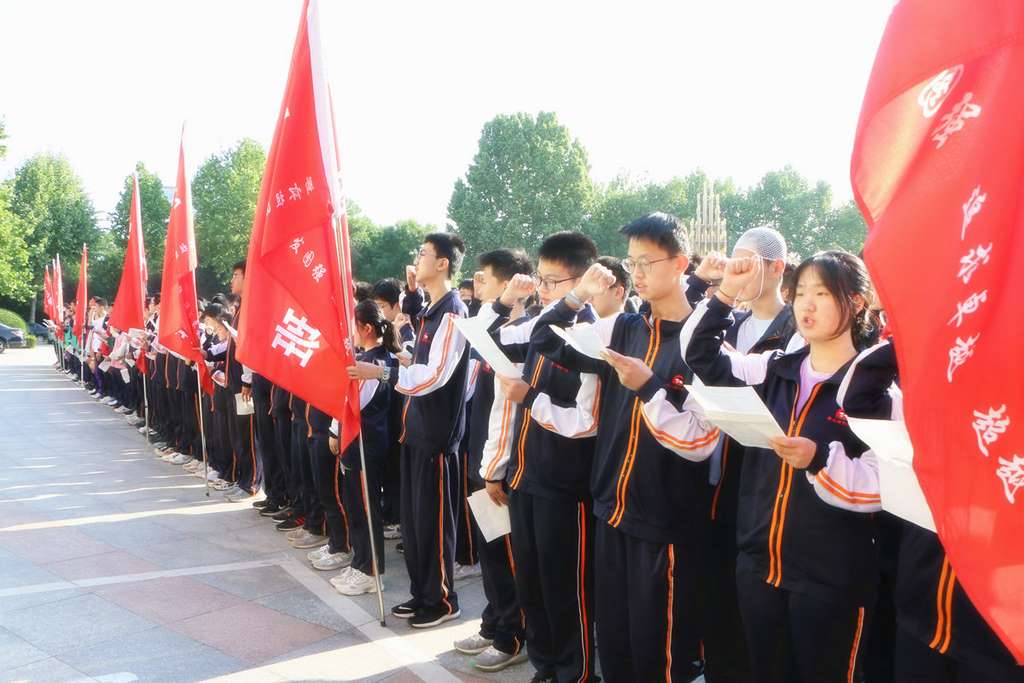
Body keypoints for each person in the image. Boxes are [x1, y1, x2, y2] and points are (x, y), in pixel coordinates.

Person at [529, 214, 721, 682]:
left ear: (680, 263)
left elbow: (700, 442)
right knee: (615, 641)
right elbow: (544, 341)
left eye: (646, 262)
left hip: (665, 521)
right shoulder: (623, 328)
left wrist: (650, 385)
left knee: (658, 652)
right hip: (611, 510)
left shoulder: (703, 343)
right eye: (632, 263)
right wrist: (576, 295)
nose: (636, 273)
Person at [684, 250, 885, 683]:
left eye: (822, 294)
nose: (806, 305)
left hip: (830, 580)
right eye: (801, 293)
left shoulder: (875, 387)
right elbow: (701, 356)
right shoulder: (775, 369)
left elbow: (882, 485)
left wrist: (818, 459)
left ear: (857, 302)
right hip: (760, 567)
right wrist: (726, 293)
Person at [478, 231, 600, 683]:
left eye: (551, 282)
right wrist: (506, 298)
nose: (542, 291)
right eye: (540, 281)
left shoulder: (591, 336)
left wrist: (530, 398)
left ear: (582, 281)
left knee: (565, 586)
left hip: (566, 485)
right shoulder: (539, 326)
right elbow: (485, 339)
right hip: (526, 476)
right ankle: (545, 665)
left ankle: (575, 672)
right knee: (531, 581)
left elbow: (586, 421)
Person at [699, 226, 801, 683]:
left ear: (777, 268)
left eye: (747, 264)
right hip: (716, 472)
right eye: (732, 262)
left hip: (763, 480)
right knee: (719, 587)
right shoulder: (730, 324)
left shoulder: (796, 330)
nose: (736, 272)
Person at [451, 247, 533, 673]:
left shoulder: (521, 335)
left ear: (509, 285)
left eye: (484, 278)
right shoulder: (492, 330)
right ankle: (493, 620)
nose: (476, 284)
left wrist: (493, 470)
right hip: (483, 459)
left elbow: (507, 412)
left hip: (499, 467)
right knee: (491, 554)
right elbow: (473, 333)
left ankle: (512, 635)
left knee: (505, 555)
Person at [388, 232, 470, 628]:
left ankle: (442, 600)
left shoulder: (453, 312)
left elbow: (436, 374)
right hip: (415, 431)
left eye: (423, 254)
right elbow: (421, 363)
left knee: (433, 524)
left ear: (443, 263)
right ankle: (421, 593)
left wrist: (385, 373)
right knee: (414, 523)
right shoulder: (430, 310)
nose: (417, 259)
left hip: (435, 437)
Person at [329, 299, 402, 595]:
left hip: (365, 444)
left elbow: (356, 403)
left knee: (366, 508)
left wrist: (334, 429)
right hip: (358, 444)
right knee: (356, 507)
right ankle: (360, 562)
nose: (351, 332)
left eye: (354, 326)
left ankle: (371, 571)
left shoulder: (375, 363)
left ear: (367, 328)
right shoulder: (369, 358)